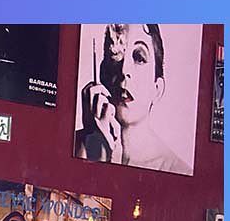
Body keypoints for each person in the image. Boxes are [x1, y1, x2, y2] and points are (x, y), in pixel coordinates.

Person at [75, 24, 191, 175]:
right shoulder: (74, 145)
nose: (124, 70)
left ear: (157, 89)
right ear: (103, 73)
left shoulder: (177, 171)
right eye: (117, 54)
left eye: (139, 58)